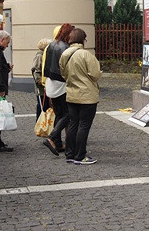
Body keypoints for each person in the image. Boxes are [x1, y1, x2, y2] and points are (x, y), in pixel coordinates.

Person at [59, 28, 102, 165]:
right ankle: (80, 155)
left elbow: (63, 73)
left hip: (71, 94)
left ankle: (70, 153)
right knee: (84, 125)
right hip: (87, 95)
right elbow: (95, 74)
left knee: (73, 124)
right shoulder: (86, 55)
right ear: (83, 39)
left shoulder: (65, 54)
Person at [43, 23, 74, 155]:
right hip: (61, 83)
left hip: (51, 82)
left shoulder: (51, 45)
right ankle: (52, 137)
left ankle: (57, 142)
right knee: (68, 114)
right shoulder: (66, 48)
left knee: (59, 114)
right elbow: (67, 68)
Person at [32, 38, 52, 120]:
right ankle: (40, 122)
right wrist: (39, 81)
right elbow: (36, 70)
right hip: (41, 86)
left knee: (46, 105)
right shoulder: (40, 56)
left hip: (45, 85)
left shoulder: (45, 55)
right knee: (42, 106)